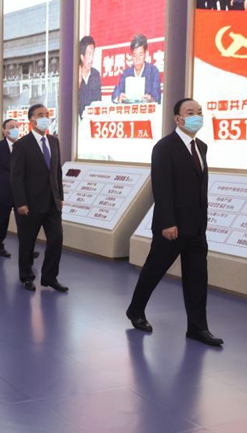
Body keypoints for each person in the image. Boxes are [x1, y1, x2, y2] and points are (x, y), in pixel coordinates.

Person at [126, 98, 223, 347]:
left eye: (199, 112)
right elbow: (162, 187)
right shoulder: (164, 147)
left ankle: (198, 328)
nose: (196, 116)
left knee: (197, 278)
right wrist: (168, 222)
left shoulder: (201, 147)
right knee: (153, 271)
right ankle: (136, 310)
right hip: (172, 227)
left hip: (197, 226)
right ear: (178, 119)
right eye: (190, 112)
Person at [11, 104, 67, 293]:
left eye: (47, 114)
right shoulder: (22, 145)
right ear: (32, 120)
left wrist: (60, 196)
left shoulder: (54, 141)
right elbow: (16, 176)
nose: (45, 117)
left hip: (52, 202)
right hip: (30, 203)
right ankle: (26, 276)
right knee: (27, 242)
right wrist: (20, 202)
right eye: (40, 114)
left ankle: (50, 277)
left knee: (56, 239)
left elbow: (57, 172)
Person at [0, 119, 20, 258]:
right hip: (3, 190)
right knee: (1, 221)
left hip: (20, 192)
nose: (15, 129)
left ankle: (27, 249)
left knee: (24, 223)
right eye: (11, 127)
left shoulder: (23, 146)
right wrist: (1, 180)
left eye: (16, 126)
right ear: (4, 130)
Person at [111, 34, 162, 104]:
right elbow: (115, 94)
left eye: (140, 55)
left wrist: (151, 99)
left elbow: (157, 97)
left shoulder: (153, 71)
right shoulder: (126, 73)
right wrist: (119, 97)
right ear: (131, 56)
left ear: (145, 54)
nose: (138, 59)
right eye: (135, 55)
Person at [78, 36, 102, 117]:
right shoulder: (74, 75)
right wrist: (78, 84)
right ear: (82, 57)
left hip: (91, 119)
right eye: (89, 54)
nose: (91, 58)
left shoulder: (96, 75)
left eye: (92, 54)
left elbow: (98, 102)